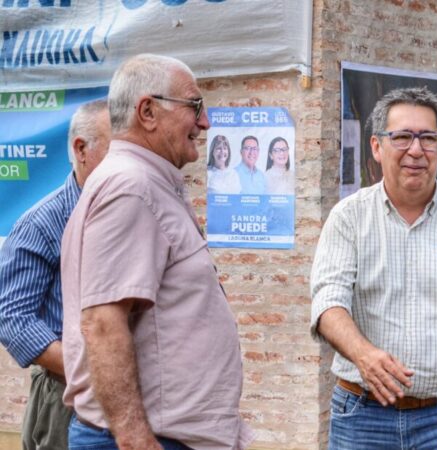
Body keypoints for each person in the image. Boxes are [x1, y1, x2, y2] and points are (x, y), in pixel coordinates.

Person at [60, 53, 252, 450]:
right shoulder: (132, 187)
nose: (205, 122)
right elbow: (102, 323)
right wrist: (136, 440)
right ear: (147, 112)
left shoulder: (143, 181)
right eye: (195, 106)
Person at [310, 86, 437, 449]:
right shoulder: (349, 217)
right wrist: (363, 354)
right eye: (402, 137)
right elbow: (327, 303)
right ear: (376, 146)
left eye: (427, 138)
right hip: (362, 415)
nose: (415, 150)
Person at [0, 100, 110, 450]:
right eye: (117, 151)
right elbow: (13, 319)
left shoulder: (128, 214)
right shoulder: (42, 223)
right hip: (66, 398)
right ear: (81, 149)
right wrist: (93, 374)